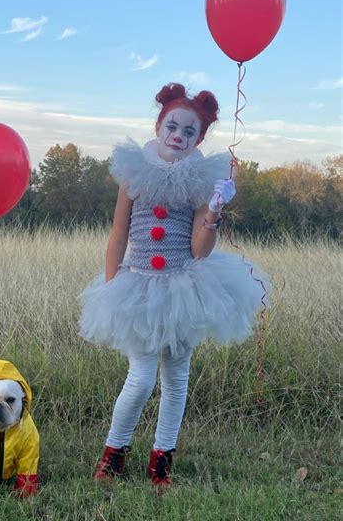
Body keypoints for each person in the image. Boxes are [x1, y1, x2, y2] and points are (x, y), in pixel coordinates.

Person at [79, 83, 268, 488]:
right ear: (159, 125)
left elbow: (200, 249)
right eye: (173, 127)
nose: (179, 137)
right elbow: (117, 234)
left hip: (184, 288)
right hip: (140, 287)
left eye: (189, 132)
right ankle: (113, 454)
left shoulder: (201, 182)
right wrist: (112, 285)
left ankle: (161, 460)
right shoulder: (134, 174)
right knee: (141, 376)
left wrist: (214, 212)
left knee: (176, 378)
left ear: (199, 139)